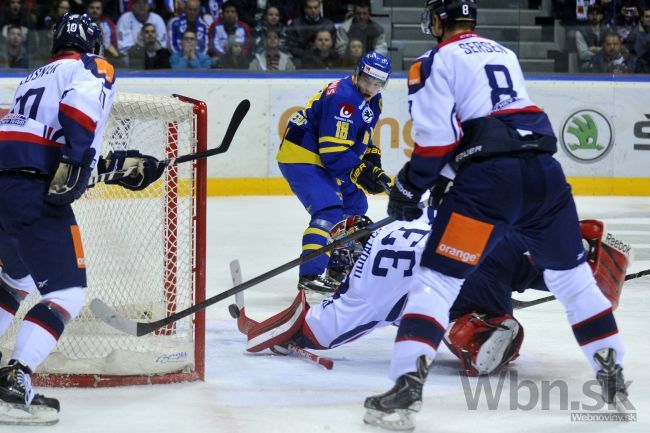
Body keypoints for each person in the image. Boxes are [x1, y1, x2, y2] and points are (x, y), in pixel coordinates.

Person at [367, 0, 628, 429]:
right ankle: (613, 384)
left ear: (437, 21)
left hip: (490, 187)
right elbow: (493, 125)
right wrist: (443, 175)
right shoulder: (502, 52)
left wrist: (409, 186)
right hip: (544, 175)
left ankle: (405, 393)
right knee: (575, 284)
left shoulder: (432, 62)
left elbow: (436, 141)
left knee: (436, 282)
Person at [0, 13, 163, 426]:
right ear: (93, 42)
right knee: (68, 294)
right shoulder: (93, 66)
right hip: (30, 192)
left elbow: (44, 141)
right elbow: (77, 115)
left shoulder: (35, 75)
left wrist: (116, 167)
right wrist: (77, 161)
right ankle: (14, 381)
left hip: (7, 180)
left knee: (15, 281)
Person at [244, 213, 630, 379]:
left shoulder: (363, 289)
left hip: (468, 281)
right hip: (497, 237)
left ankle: (484, 332)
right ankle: (583, 257)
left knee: (440, 315)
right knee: (516, 263)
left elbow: (315, 332)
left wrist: (279, 335)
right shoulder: (400, 220)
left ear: (346, 255)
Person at [276, 51, 392, 294]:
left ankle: (336, 267)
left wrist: (371, 159)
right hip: (302, 154)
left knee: (356, 205)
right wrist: (362, 172)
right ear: (358, 73)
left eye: (377, 84)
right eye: (367, 80)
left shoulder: (374, 101)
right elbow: (333, 152)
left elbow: (359, 137)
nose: (370, 88)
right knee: (329, 209)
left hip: (326, 155)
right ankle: (311, 273)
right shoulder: (344, 99)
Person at [285, 0, 335, 67]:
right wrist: (308, 56)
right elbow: (292, 47)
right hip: (301, 59)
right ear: (305, 9)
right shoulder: (295, 24)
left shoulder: (328, 25)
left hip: (323, 58)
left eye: (315, 7)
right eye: (310, 8)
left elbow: (333, 46)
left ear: (319, 8)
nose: (313, 10)